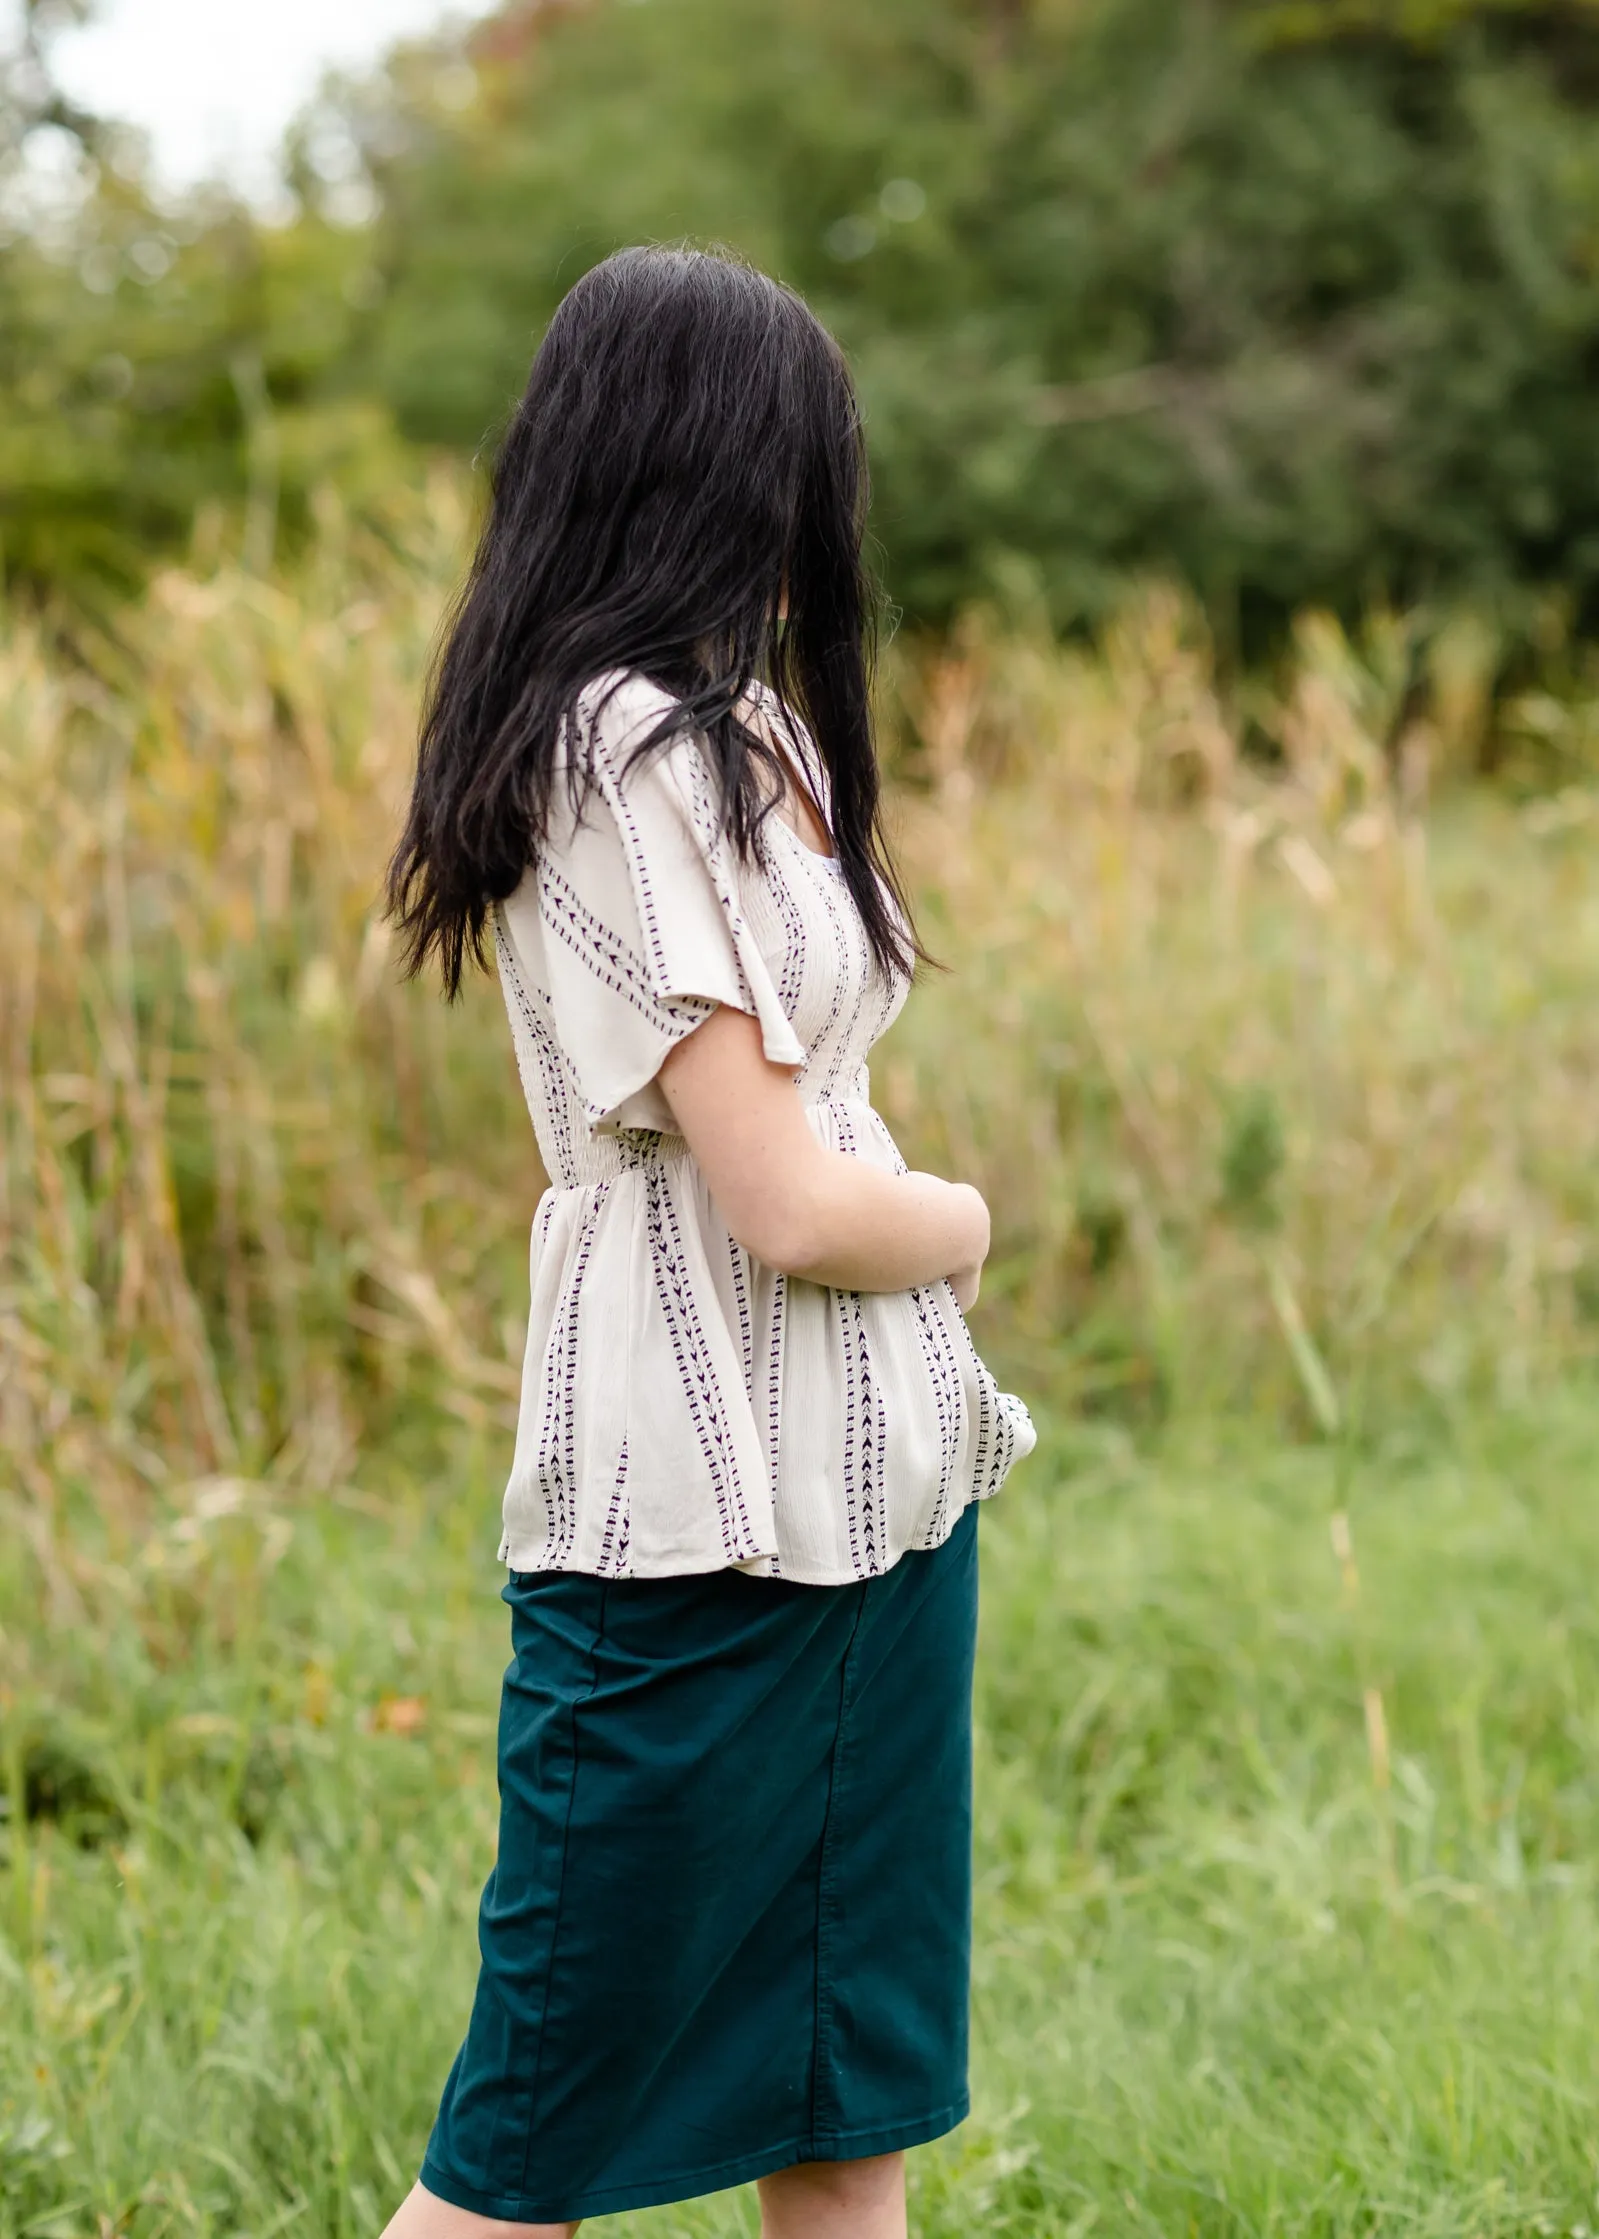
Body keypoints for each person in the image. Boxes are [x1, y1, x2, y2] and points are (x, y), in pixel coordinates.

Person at [381, 244, 1035, 2239]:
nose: (807, 523)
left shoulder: (751, 738)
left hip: (884, 1506)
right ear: (701, 472)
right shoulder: (610, 751)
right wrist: (970, 1221)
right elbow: (794, 1203)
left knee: (849, 2100)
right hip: (689, 1530)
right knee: (528, 2146)